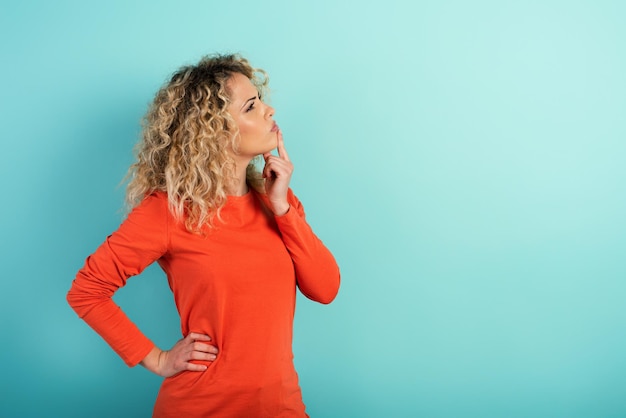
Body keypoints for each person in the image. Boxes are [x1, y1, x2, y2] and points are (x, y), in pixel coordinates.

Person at [66, 53, 341, 417]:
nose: (269, 111)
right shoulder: (168, 211)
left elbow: (325, 289)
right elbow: (87, 290)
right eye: (252, 106)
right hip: (201, 405)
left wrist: (283, 210)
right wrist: (158, 358)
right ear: (216, 129)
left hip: (280, 405)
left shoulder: (277, 200)